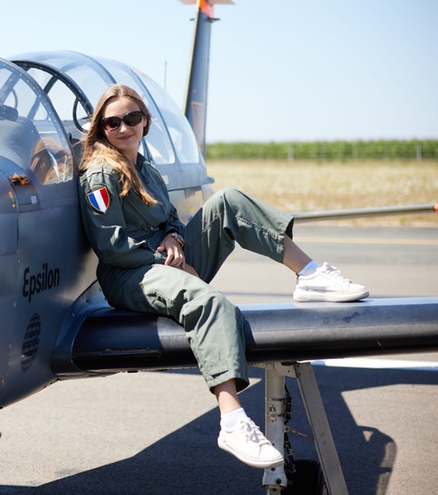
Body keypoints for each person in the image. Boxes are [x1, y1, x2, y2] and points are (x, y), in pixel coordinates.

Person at [78, 84, 368, 469]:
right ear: (102, 128)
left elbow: (168, 218)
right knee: (210, 302)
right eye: (112, 122)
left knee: (229, 201)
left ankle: (310, 273)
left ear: (144, 122)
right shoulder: (101, 174)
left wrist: (174, 236)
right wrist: (170, 261)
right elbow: (112, 246)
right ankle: (231, 420)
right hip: (129, 272)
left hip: (165, 256)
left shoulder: (144, 167)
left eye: (131, 118)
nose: (123, 127)